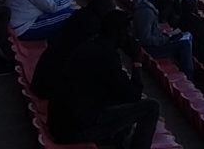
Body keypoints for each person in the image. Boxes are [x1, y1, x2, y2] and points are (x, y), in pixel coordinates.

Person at [48, 9, 162, 149]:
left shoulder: (89, 46)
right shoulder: (107, 57)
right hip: (74, 130)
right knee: (151, 107)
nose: (130, 37)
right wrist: (137, 62)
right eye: (128, 32)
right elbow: (133, 96)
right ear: (121, 33)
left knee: (119, 103)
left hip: (61, 123)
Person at [131, 0, 194, 78]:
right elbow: (145, 39)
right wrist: (165, 39)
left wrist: (167, 36)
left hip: (154, 44)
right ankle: (189, 76)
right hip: (151, 49)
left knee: (184, 36)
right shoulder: (146, 12)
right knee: (185, 43)